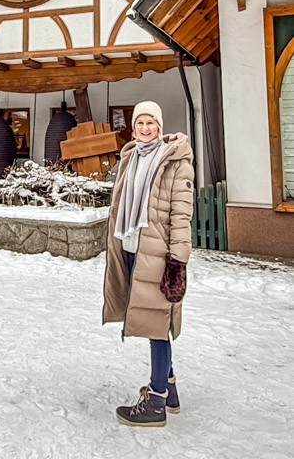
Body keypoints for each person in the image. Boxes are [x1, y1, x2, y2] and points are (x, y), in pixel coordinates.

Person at [103, 101, 194, 428]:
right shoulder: (130, 157)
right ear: (133, 127)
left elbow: (181, 216)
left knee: (157, 324)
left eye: (150, 123)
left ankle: (155, 402)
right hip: (131, 247)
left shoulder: (175, 161)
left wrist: (177, 261)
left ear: (159, 126)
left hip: (157, 254)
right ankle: (169, 389)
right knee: (152, 319)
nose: (145, 129)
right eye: (140, 123)